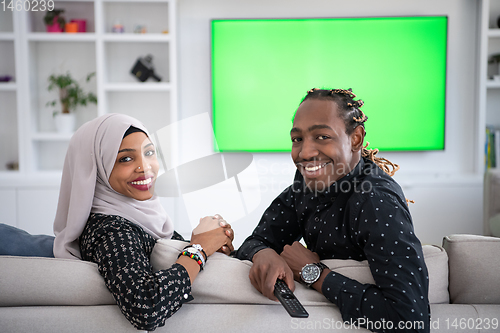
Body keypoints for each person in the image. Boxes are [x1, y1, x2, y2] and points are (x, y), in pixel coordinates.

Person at [236, 88, 430, 332]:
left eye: (322, 136)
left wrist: (314, 274)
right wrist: (263, 253)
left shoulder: (374, 200)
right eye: (297, 139)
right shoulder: (306, 185)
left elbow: (410, 321)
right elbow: (255, 240)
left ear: (356, 139)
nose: (304, 153)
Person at [53, 113, 234, 331]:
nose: (145, 167)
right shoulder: (111, 230)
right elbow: (146, 308)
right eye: (126, 159)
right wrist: (198, 249)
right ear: (94, 169)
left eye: (149, 153)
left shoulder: (141, 216)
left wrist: (214, 246)